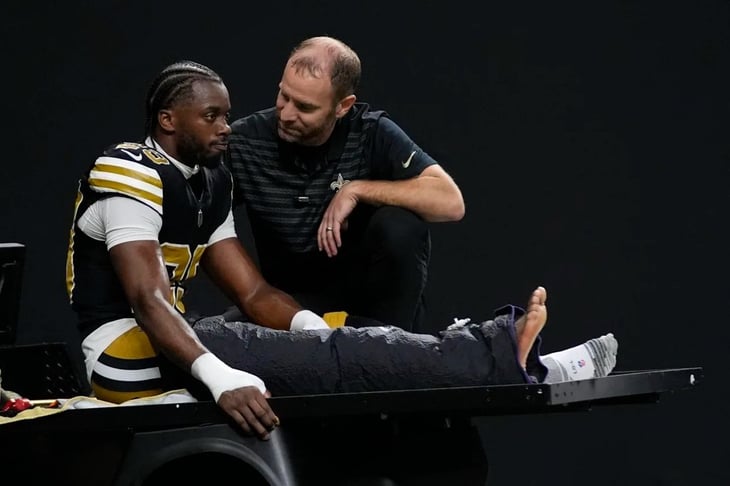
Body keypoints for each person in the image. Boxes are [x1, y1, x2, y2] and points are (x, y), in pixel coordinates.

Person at [64, 59, 617, 442]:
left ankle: (510, 359)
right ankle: (509, 357)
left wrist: (315, 328)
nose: (227, 127)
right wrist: (217, 375)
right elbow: (147, 298)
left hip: (174, 342)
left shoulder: (208, 181)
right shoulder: (126, 166)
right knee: (335, 360)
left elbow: (253, 292)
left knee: (340, 336)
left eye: (227, 115)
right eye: (211, 117)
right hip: (125, 357)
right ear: (167, 121)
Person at [225, 35, 466, 332]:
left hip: (373, 312)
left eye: (304, 107)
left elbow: (451, 203)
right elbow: (198, 215)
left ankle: (394, 353)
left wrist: (357, 189)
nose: (286, 114)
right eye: (283, 96)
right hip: (288, 308)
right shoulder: (245, 142)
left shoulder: (370, 132)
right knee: (221, 334)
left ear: (343, 106)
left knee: (400, 224)